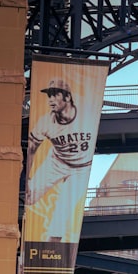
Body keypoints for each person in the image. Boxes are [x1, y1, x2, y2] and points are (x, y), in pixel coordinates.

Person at [26, 77, 96, 242]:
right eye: (48, 95)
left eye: (54, 94)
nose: (50, 99)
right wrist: (27, 178)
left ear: (67, 97)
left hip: (81, 169)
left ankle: (51, 252)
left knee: (62, 211)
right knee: (27, 195)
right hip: (57, 162)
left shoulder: (87, 114)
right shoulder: (46, 122)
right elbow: (31, 149)